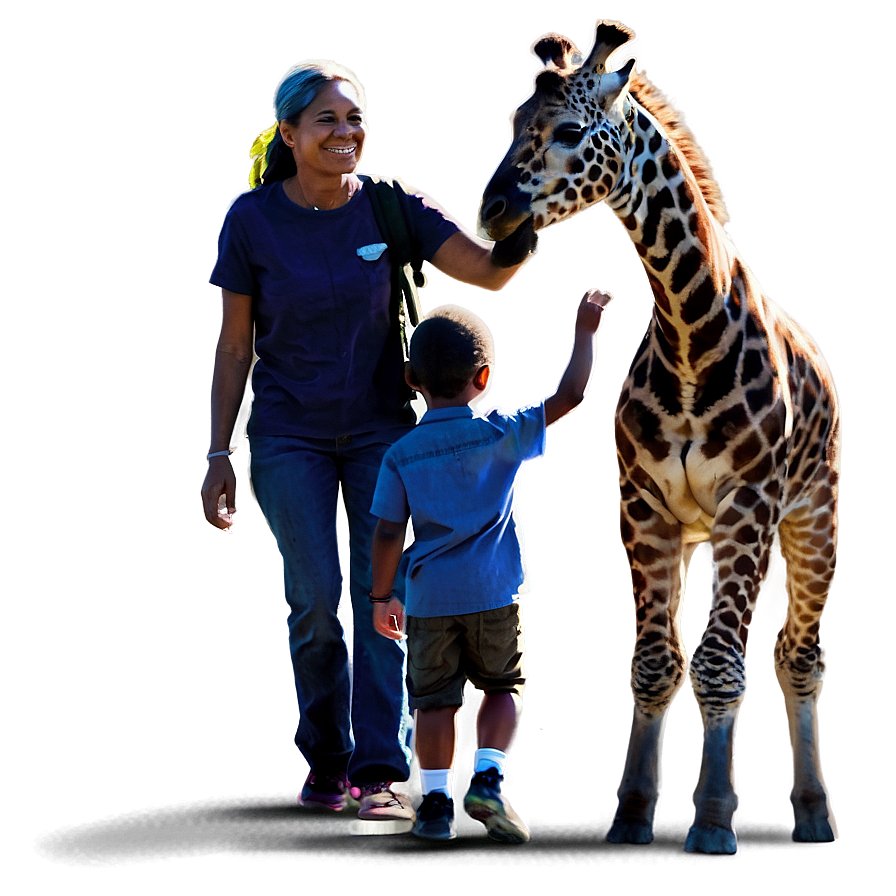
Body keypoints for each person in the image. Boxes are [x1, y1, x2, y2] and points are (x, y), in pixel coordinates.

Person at [200, 58, 536, 822]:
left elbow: (489, 272)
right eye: (327, 120)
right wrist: (217, 453)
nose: (346, 133)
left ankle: (381, 771)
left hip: (385, 438)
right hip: (290, 439)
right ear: (290, 134)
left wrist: (531, 214)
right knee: (318, 604)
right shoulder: (250, 221)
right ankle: (326, 760)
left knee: (381, 602)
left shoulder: (390, 211)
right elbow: (231, 348)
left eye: (354, 119)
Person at [369, 288, 611, 841]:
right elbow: (571, 393)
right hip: (494, 593)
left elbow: (387, 531)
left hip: (429, 601)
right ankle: (485, 782)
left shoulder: (400, 455)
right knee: (501, 690)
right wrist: (584, 330)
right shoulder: (502, 433)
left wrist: (382, 597)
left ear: (412, 380)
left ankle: (433, 805)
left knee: (433, 704)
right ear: (482, 377)